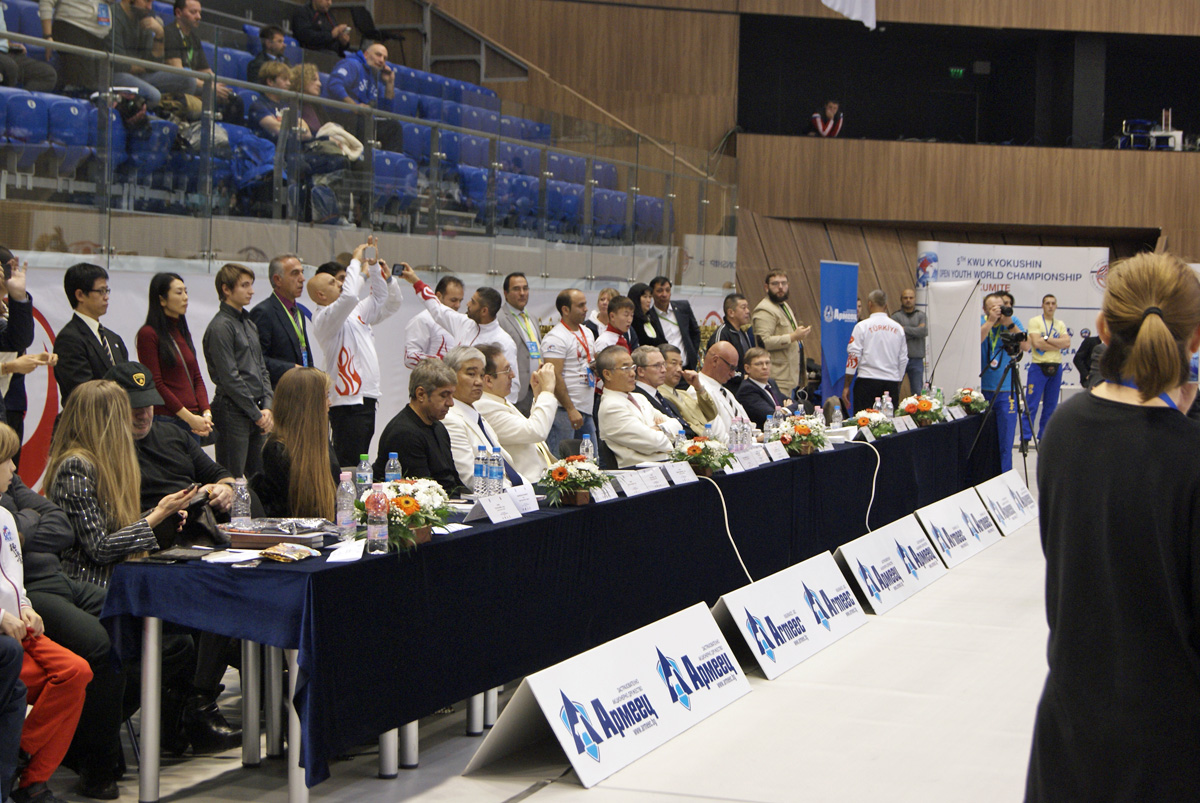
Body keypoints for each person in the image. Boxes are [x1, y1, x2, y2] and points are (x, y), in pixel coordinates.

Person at [1024, 252, 1200, 801]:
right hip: (1171, 745)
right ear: (1195, 339)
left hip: (1069, 735)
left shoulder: (1063, 431)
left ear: (1102, 329)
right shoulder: (1190, 454)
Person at [107, 362, 240, 758]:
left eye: (147, 405)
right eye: (134, 408)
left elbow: (221, 473)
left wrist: (224, 488)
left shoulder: (173, 434)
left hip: (195, 542)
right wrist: (161, 516)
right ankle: (194, 708)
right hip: (147, 552)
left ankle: (191, 708)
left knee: (235, 587)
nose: (143, 415)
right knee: (214, 600)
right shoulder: (108, 450)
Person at [0, 422, 92, 803]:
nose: (14, 469)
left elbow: (14, 580)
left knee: (78, 672)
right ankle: (28, 776)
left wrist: (27, 609)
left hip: (20, 629)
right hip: (4, 636)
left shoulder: (6, 519)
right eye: (7, 460)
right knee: (62, 680)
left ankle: (21, 757)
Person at [307, 238, 402, 467]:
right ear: (321, 295)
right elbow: (349, 295)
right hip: (347, 402)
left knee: (360, 460)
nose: (340, 284)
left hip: (367, 396)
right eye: (333, 282)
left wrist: (374, 267)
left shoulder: (355, 311)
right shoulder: (323, 319)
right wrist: (355, 261)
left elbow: (380, 297)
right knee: (348, 462)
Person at [401, 266, 520, 396]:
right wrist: (415, 280)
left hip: (483, 403)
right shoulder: (463, 322)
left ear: (484, 311)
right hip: (453, 398)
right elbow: (436, 307)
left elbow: (512, 386)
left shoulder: (504, 342)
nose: (467, 304)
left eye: (473, 302)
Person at [203, 264, 274, 479]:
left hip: (255, 409)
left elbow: (262, 368)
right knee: (231, 478)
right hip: (232, 411)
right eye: (244, 285)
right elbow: (230, 378)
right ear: (226, 289)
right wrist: (257, 413)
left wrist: (268, 406)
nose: (251, 291)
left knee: (259, 477)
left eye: (250, 285)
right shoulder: (220, 327)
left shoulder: (249, 324)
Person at [135, 272, 213, 442]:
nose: (185, 297)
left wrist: (206, 413)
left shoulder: (182, 332)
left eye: (186, 291)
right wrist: (189, 417)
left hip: (193, 419)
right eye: (179, 292)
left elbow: (197, 377)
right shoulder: (148, 334)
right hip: (167, 420)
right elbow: (156, 384)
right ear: (162, 300)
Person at [253, 368, 338, 519]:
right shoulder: (277, 451)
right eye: (325, 397)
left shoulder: (321, 445)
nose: (329, 403)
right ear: (309, 405)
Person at [441, 346, 529, 490]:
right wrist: (514, 493)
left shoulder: (477, 416)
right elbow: (470, 477)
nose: (479, 382)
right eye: (471, 374)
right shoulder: (450, 419)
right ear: (450, 376)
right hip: (493, 496)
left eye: (481, 375)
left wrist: (526, 490)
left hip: (511, 489)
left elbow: (505, 468)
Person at [373, 359, 462, 492]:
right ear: (421, 394)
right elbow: (423, 492)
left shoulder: (439, 427)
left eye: (452, 395)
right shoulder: (404, 434)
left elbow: (453, 480)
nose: (451, 403)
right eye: (444, 395)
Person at [474, 345, 557, 482]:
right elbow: (535, 431)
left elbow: (527, 428)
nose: (512, 375)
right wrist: (547, 391)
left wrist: (538, 396)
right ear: (488, 380)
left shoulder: (498, 399)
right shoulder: (484, 407)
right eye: (507, 370)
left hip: (541, 477)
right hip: (527, 483)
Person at [53, 264, 128, 406]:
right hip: (88, 416)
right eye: (101, 291)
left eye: (107, 291)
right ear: (80, 295)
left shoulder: (113, 338)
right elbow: (82, 390)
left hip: (119, 415)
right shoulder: (69, 339)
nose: (106, 297)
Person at [538, 289, 598, 457]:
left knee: (591, 461)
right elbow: (554, 376)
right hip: (563, 410)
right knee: (562, 462)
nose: (586, 309)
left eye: (585, 304)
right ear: (565, 309)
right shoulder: (555, 337)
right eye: (580, 305)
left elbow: (586, 361)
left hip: (586, 407)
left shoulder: (587, 332)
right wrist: (570, 409)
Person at [595, 346, 673, 468]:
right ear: (607, 374)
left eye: (633, 367)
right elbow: (654, 442)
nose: (632, 373)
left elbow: (677, 426)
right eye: (625, 368)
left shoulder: (639, 398)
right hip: (641, 471)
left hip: (665, 465)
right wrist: (666, 432)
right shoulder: (611, 407)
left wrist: (658, 428)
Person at [162, 0, 240, 118]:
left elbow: (206, 71)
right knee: (211, 93)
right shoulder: (170, 32)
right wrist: (209, 87)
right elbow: (178, 72)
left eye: (199, 12)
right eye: (193, 12)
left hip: (194, 83)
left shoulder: (194, 38)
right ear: (178, 13)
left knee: (234, 99)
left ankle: (222, 128)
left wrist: (218, 85)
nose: (199, 17)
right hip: (178, 86)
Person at [980, 292, 1030, 472]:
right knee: (982, 440)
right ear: (985, 309)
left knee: (1006, 441)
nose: (997, 310)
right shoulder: (980, 322)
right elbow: (974, 341)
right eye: (992, 308)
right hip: (981, 390)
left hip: (1006, 390)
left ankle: (1005, 476)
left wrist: (1008, 324)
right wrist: (990, 322)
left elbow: (1026, 346)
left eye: (1000, 307)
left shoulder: (1012, 321)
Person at [250, 253, 313, 388]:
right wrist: (291, 369)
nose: (302, 279)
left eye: (302, 272)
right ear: (278, 280)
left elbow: (304, 351)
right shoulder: (264, 312)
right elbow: (256, 359)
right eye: (295, 273)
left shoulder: (298, 312)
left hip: (302, 389)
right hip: (278, 391)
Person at [326, 43, 401, 150]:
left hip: (363, 121)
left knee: (393, 127)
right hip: (342, 115)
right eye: (378, 55)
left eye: (385, 58)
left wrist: (389, 83)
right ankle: (362, 157)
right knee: (363, 121)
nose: (381, 60)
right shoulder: (352, 64)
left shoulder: (376, 77)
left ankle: (388, 160)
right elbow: (334, 85)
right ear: (366, 54)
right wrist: (355, 107)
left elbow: (385, 113)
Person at [843, 290, 907, 414]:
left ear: (870, 304)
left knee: (864, 421)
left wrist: (846, 385)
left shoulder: (862, 326)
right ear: (886, 306)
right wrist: (898, 382)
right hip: (891, 382)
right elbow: (903, 359)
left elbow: (853, 356)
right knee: (888, 423)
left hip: (867, 382)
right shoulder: (898, 328)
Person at [752, 270, 810, 398]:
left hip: (790, 376)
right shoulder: (765, 309)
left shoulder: (783, 305)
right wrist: (793, 337)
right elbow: (764, 342)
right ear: (766, 287)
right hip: (777, 378)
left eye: (783, 283)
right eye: (775, 284)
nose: (780, 287)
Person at [1023, 293, 1071, 446]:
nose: (1050, 306)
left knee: (1050, 406)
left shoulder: (1060, 324)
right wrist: (1056, 343)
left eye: (1053, 303)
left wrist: (1046, 339)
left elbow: (1067, 343)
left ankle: (1044, 437)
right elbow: (1037, 344)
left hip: (1056, 366)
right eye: (1047, 303)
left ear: (1056, 306)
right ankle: (1025, 437)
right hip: (1038, 366)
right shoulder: (1035, 321)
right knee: (1031, 404)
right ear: (1042, 305)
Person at [38, 0, 109, 92]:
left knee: (101, 89)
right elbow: (46, 2)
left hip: (100, 37)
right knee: (86, 86)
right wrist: (47, 36)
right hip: (71, 28)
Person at [497, 272, 543, 412]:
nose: (522, 293)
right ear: (506, 293)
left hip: (536, 387)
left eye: (525, 288)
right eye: (517, 289)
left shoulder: (531, 318)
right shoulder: (499, 318)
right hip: (515, 389)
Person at [657, 344, 720, 439]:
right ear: (661, 366)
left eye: (680, 364)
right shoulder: (660, 395)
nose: (679, 369)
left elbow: (711, 414)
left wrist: (699, 387)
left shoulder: (684, 393)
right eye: (674, 363)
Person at [404, 275, 461, 368]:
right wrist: (443, 362)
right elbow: (410, 357)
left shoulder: (459, 322)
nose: (458, 305)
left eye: (460, 301)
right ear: (438, 296)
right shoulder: (423, 320)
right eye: (453, 300)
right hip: (431, 377)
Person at [249, 62, 314, 143]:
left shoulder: (289, 105)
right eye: (284, 79)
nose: (289, 83)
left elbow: (307, 133)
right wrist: (294, 128)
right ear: (270, 81)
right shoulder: (258, 106)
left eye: (289, 80)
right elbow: (278, 132)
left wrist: (280, 124)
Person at [628, 345, 686, 436]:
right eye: (657, 366)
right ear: (641, 371)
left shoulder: (660, 397)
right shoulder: (635, 398)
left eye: (664, 364)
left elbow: (679, 426)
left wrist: (662, 428)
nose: (664, 370)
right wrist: (665, 428)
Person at [647, 276, 700, 370]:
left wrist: (692, 354)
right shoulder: (649, 317)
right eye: (659, 291)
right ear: (652, 293)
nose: (664, 294)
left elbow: (695, 333)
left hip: (687, 367)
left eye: (667, 290)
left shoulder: (683, 307)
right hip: (664, 370)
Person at [696, 341, 748, 438]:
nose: (733, 374)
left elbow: (747, 423)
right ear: (715, 361)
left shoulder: (725, 392)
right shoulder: (698, 391)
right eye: (731, 368)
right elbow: (716, 436)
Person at [737, 347, 794, 428]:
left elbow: (796, 405)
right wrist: (785, 410)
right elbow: (772, 417)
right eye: (759, 364)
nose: (765, 367)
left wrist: (784, 410)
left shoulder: (771, 383)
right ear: (747, 368)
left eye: (767, 363)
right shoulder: (747, 390)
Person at [0, 8, 55, 92]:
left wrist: (10, 45)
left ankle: (21, 98)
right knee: (9, 67)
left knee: (47, 74)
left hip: (6, 53)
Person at [712, 293, 755, 390]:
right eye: (743, 308)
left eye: (747, 307)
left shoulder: (743, 333)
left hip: (744, 387)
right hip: (727, 388)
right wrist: (742, 377)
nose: (748, 311)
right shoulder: (722, 333)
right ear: (731, 312)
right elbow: (718, 365)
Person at [891, 288, 926, 394]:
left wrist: (904, 329)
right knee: (894, 391)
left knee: (917, 392)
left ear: (915, 299)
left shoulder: (921, 315)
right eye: (905, 298)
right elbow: (895, 336)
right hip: (898, 359)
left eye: (911, 298)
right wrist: (916, 331)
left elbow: (923, 331)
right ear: (901, 300)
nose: (908, 300)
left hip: (916, 360)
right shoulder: (895, 317)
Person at [628, 283, 662, 349]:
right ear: (636, 298)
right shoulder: (632, 321)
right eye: (645, 297)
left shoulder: (651, 318)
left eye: (650, 297)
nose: (649, 300)